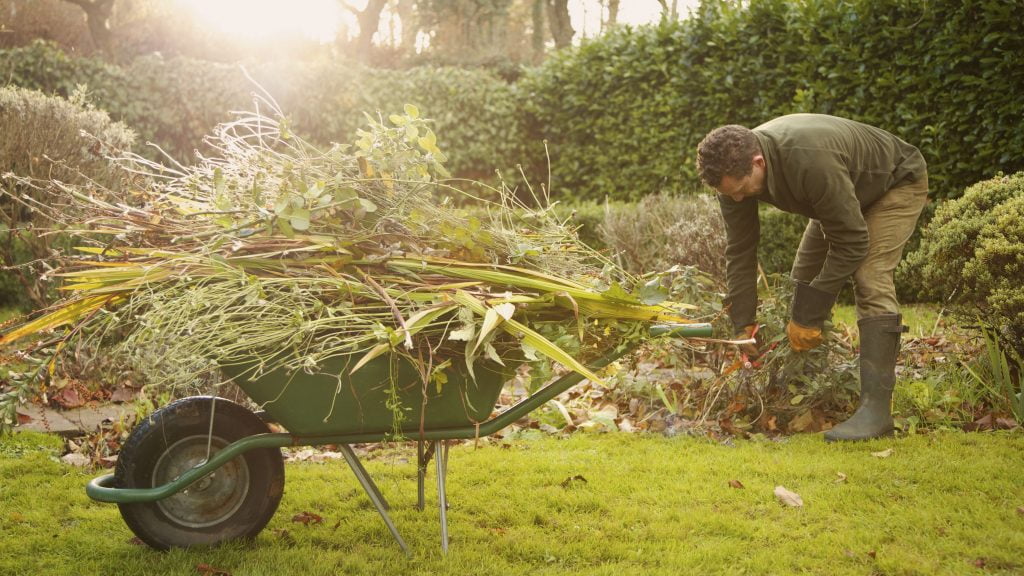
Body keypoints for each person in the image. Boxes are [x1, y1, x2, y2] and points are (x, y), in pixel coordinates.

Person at [696, 113, 929, 441]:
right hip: (842, 192)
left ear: (758, 162)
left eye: (742, 189)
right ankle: (806, 388)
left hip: (894, 183)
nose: (738, 198)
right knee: (802, 277)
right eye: (729, 193)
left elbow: (852, 242)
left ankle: (876, 413)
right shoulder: (732, 178)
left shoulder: (809, 161)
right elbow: (740, 250)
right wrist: (743, 324)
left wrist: (809, 316)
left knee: (870, 276)